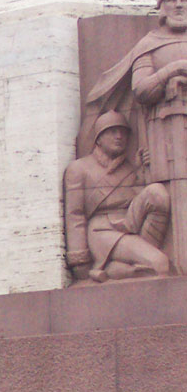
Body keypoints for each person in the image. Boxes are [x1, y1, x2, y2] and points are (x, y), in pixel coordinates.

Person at [85, 0, 187, 273]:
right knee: (166, 199)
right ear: (161, 7)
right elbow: (141, 90)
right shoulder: (149, 44)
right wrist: (173, 70)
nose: (179, 5)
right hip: (168, 139)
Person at [64, 111, 171, 282]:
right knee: (160, 265)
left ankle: (112, 269)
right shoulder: (79, 168)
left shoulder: (129, 168)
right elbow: (75, 215)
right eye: (112, 131)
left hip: (128, 227)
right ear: (98, 138)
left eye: (123, 132)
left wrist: (142, 173)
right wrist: (79, 262)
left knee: (157, 192)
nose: (119, 136)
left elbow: (143, 204)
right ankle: (112, 270)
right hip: (102, 232)